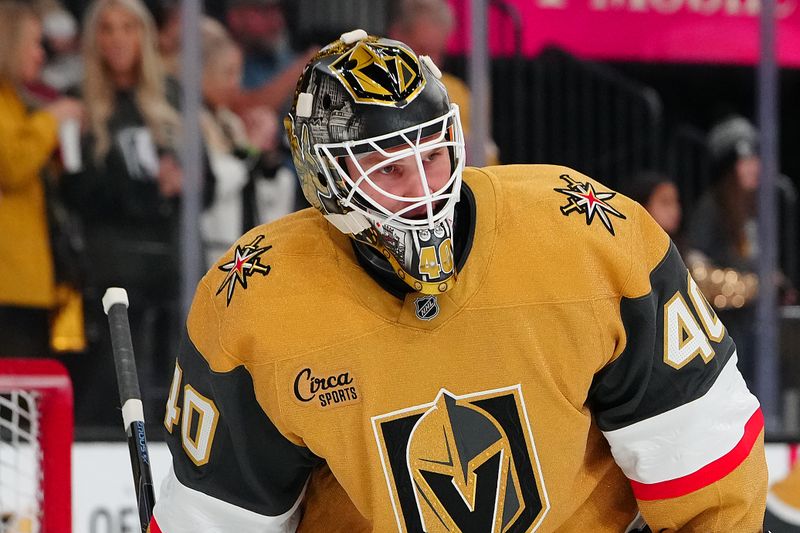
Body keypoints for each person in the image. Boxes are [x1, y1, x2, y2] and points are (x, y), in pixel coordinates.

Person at [151, 31, 767, 531]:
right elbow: (218, 518)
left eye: (433, 153)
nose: (423, 191)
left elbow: (704, 468)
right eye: (389, 168)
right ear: (326, 178)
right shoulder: (255, 298)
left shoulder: (585, 233)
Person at [60, 0, 187, 426]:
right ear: (94, 39)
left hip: (170, 265)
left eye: (127, 27)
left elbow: (202, 190)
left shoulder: (172, 97)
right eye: (107, 29)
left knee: (170, 384)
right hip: (108, 265)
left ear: (144, 35)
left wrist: (182, 182)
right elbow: (75, 192)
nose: (117, 39)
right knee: (110, 386)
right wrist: (147, 187)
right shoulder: (77, 103)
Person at [0, 0, 83, 357]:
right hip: (9, 287)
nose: (40, 54)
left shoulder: (17, 102)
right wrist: (53, 119)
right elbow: (10, 166)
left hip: (29, 285)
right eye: (33, 43)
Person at [199, 18, 294, 267]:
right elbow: (213, 184)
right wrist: (251, 149)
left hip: (247, 249)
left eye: (238, 72)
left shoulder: (230, 123)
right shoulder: (190, 124)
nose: (236, 83)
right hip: (212, 251)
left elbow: (269, 190)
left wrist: (268, 156)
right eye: (227, 73)